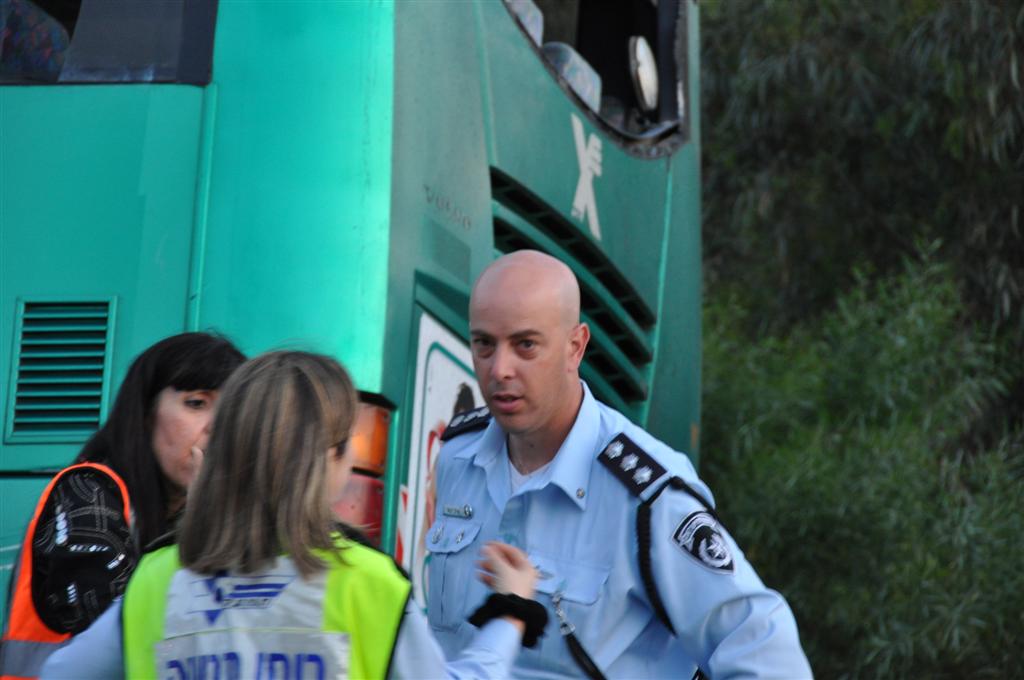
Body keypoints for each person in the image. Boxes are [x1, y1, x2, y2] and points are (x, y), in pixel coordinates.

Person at [426, 250, 814, 678]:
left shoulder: (647, 496)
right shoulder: (457, 457)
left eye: (526, 345)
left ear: (575, 347)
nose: (500, 369)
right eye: (484, 344)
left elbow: (764, 651)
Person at [42, 351, 546, 679]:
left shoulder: (155, 580)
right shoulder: (369, 583)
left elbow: (60, 673)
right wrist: (510, 612)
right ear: (333, 457)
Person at [0, 332, 245, 679]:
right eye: (196, 404)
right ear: (145, 412)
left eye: (233, 410)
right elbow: (122, 631)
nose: (216, 428)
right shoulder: (87, 493)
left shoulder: (193, 508)